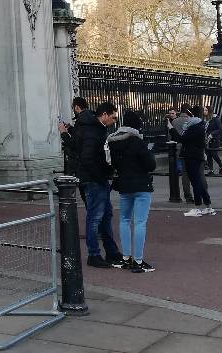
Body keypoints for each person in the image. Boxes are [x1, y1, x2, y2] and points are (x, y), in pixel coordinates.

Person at [106, 109, 157, 273]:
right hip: (141, 184)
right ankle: (138, 260)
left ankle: (126, 257)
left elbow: (112, 164)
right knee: (140, 222)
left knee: (124, 220)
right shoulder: (136, 141)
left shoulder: (113, 141)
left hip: (124, 184)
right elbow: (150, 165)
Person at [71, 101, 121, 268]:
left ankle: (111, 251)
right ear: (104, 115)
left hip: (96, 178)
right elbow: (88, 157)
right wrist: (101, 175)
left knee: (106, 215)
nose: (114, 121)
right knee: (95, 217)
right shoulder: (93, 130)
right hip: (94, 180)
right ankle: (94, 254)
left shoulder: (93, 127)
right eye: (113, 117)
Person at [170, 104, 215, 217]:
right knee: (197, 181)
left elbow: (182, 139)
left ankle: (197, 207)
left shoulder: (195, 127)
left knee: (196, 181)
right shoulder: (198, 125)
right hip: (195, 155)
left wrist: (172, 129)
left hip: (192, 156)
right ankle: (208, 206)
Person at [167, 106, 194, 204]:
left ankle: (187, 196)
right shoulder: (192, 121)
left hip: (179, 148)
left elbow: (172, 136)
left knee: (184, 174)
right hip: (192, 149)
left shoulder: (175, 122)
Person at [58, 97, 89, 179]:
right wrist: (70, 128)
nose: (73, 110)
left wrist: (63, 132)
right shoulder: (90, 118)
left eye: (73, 108)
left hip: (83, 163)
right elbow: (81, 135)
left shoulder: (81, 120)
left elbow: (73, 143)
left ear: (76, 107)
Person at [203, 105, 222, 176]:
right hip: (207, 139)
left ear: (209, 111)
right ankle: (211, 170)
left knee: (213, 153)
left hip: (214, 139)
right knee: (208, 154)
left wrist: (212, 134)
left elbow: (220, 129)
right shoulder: (206, 119)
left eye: (206, 110)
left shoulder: (216, 119)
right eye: (204, 110)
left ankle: (221, 166)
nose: (204, 112)